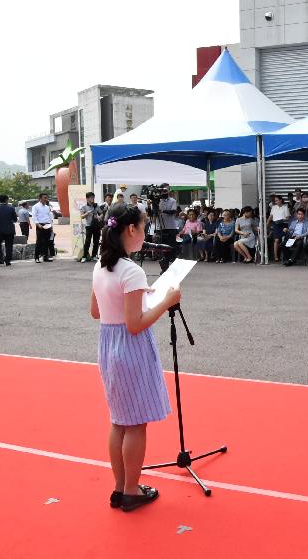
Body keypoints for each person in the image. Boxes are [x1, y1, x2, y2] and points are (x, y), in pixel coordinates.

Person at [90, 202, 178, 513]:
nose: (145, 234)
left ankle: (119, 486)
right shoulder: (132, 270)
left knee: (119, 421)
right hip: (130, 348)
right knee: (137, 423)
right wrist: (166, 301)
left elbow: (96, 311)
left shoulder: (101, 266)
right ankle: (131, 489)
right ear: (131, 230)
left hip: (108, 344)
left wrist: (142, 298)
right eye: (143, 228)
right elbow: (135, 324)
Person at [0, 194, 17, 267]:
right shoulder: (11, 208)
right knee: (9, 245)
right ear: (6, 200)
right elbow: (15, 219)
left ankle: (0, 259)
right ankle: (8, 260)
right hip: (10, 230)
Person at [267, 195, 291, 263]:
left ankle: (284, 256)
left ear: (281, 200)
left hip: (283, 224)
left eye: (277, 200)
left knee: (284, 239)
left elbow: (288, 218)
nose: (276, 201)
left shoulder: (285, 207)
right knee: (276, 240)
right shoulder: (273, 207)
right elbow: (270, 217)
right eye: (275, 200)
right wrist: (266, 225)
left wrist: (281, 219)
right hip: (276, 225)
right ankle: (276, 257)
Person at [33, 193, 55, 263]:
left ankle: (45, 257)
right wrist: (38, 224)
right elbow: (34, 216)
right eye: (44, 198)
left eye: (46, 198)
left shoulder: (47, 207)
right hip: (40, 225)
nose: (46, 199)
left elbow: (49, 217)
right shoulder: (35, 206)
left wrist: (51, 226)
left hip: (47, 225)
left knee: (47, 242)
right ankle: (36, 257)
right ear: (40, 198)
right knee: (39, 242)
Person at [80, 192, 102, 262]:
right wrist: (87, 213)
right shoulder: (84, 206)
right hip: (89, 226)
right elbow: (81, 216)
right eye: (91, 197)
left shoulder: (96, 205)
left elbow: (101, 213)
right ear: (87, 198)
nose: (92, 199)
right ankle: (84, 256)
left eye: (93, 197)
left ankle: (94, 256)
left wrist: (99, 217)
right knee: (87, 241)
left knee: (96, 241)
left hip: (96, 225)